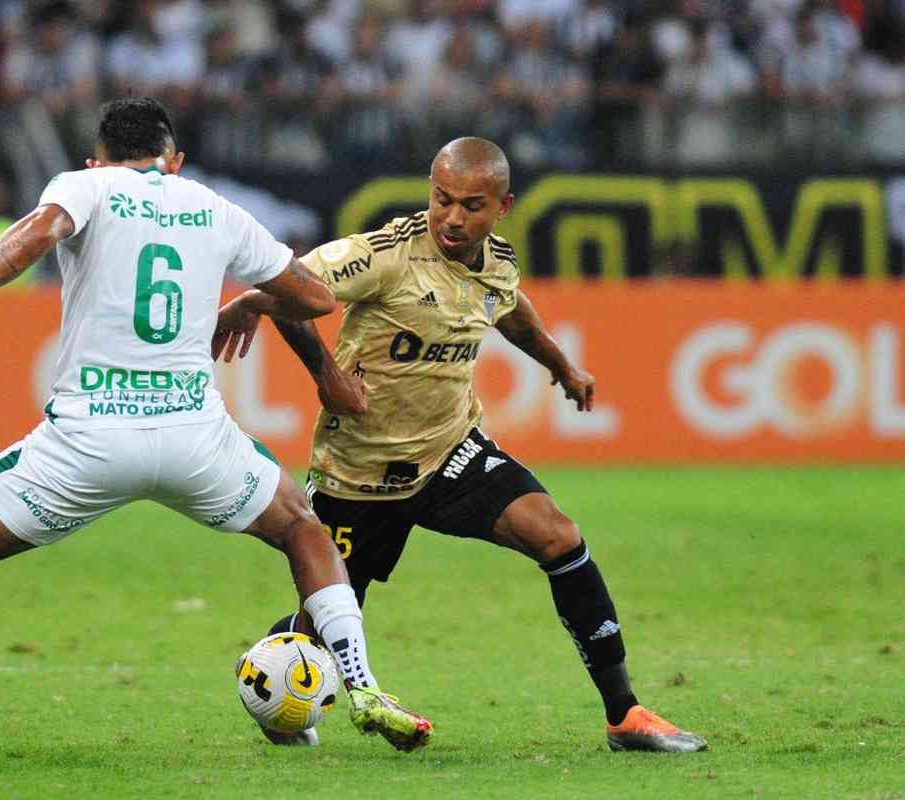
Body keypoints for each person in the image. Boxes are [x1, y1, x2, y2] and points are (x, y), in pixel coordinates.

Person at [0, 98, 431, 769]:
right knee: (303, 529)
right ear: (176, 160)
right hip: (196, 440)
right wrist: (250, 298)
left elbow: (36, 235)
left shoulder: (84, 187)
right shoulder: (213, 206)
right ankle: (364, 687)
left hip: (90, 442)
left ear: (97, 158)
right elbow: (316, 297)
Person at [212, 137, 707, 753]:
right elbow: (294, 290)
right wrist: (322, 370)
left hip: (452, 453)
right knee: (324, 630)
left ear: (503, 206)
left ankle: (624, 715)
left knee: (559, 536)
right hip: (359, 475)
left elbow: (512, 309)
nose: (451, 217)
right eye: (441, 199)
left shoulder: (496, 261)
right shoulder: (383, 253)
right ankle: (278, 688)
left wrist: (561, 365)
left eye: (471, 205)